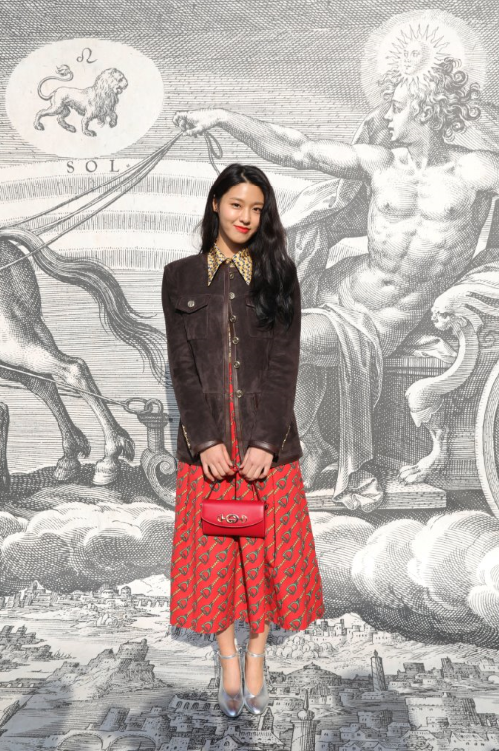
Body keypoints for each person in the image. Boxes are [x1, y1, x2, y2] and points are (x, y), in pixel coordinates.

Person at [172, 55, 499, 510]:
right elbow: (297, 148)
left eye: (397, 106)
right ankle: (302, 448)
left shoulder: (476, 171)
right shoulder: (381, 163)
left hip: (379, 317)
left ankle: (315, 451)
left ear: (426, 110)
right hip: (335, 288)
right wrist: (222, 117)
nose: (385, 116)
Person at [161, 163, 325, 718]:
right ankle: (227, 658)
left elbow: (285, 365)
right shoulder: (180, 277)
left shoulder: (280, 275)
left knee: (265, 561)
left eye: (256, 208)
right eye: (236, 205)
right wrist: (205, 440)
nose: (246, 217)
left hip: (266, 453)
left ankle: (257, 655)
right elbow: (182, 368)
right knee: (216, 562)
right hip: (205, 455)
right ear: (215, 205)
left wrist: (264, 443)